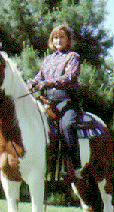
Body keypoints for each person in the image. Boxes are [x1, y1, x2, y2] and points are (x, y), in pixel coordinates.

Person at [28, 24, 82, 178]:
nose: (58, 40)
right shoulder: (48, 59)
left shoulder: (73, 57)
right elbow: (40, 76)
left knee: (67, 125)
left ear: (68, 39)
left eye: (62, 37)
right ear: (52, 40)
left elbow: (70, 77)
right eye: (55, 37)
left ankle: (74, 167)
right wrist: (33, 83)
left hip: (66, 100)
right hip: (48, 101)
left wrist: (49, 83)